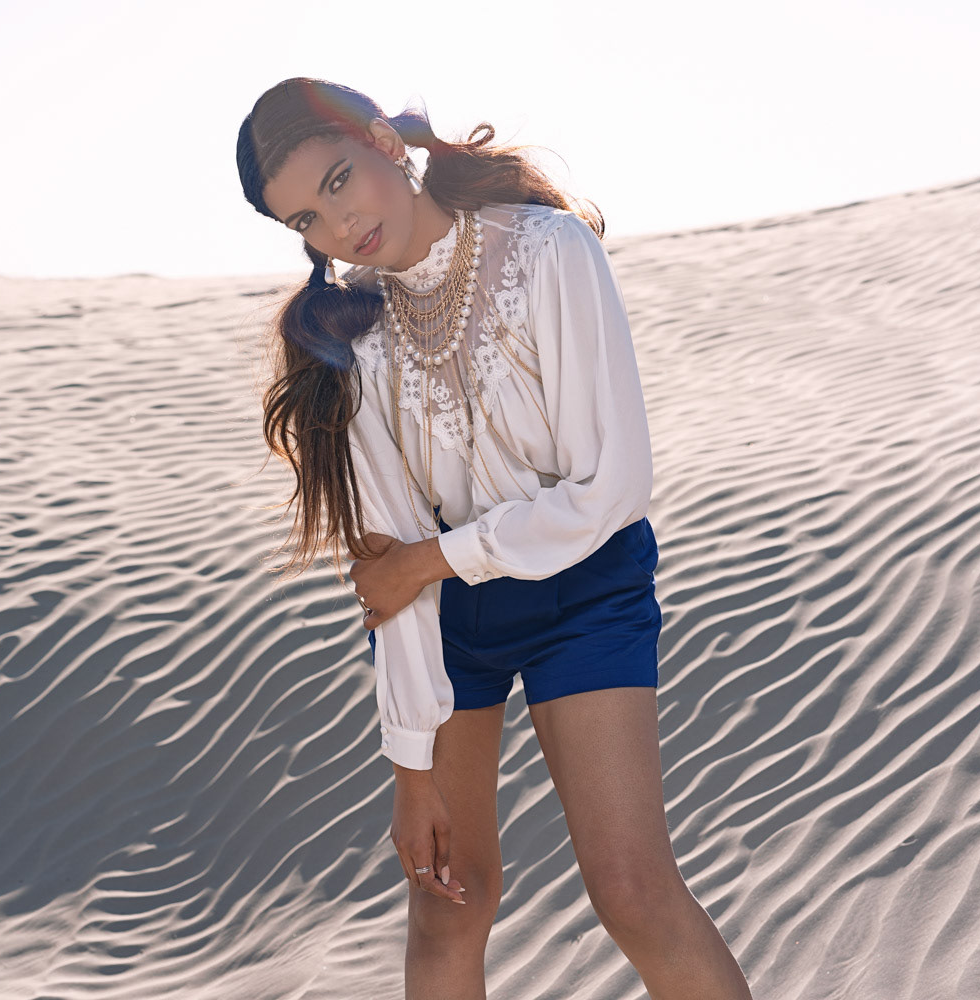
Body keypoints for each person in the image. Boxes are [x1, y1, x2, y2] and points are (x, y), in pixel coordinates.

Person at [236, 77, 752, 999]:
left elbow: (610, 489)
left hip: (586, 591)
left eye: (340, 180)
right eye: (306, 219)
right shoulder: (351, 335)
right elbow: (389, 579)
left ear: (386, 144)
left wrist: (438, 558)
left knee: (633, 894)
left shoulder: (549, 251)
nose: (338, 225)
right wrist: (411, 772)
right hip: (448, 625)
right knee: (447, 904)